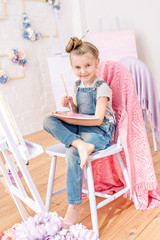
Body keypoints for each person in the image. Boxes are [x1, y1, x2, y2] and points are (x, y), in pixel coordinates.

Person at [43, 36, 116, 228]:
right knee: (48, 120)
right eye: (77, 68)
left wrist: (75, 119)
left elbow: (98, 118)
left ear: (96, 63)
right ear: (72, 67)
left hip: (99, 130)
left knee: (71, 153)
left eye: (88, 66)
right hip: (82, 128)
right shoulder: (76, 85)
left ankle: (74, 206)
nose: (83, 71)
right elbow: (79, 115)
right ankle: (79, 143)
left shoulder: (102, 87)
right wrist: (70, 106)